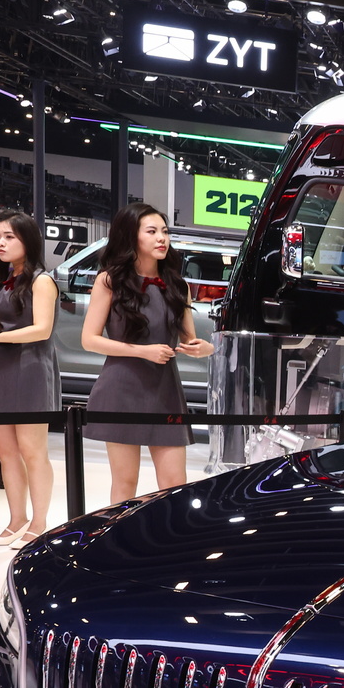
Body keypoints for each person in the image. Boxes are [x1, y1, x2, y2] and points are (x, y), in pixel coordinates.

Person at [81, 204, 214, 505]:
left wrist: (204, 348)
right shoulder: (109, 281)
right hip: (121, 387)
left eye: (164, 232)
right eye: (152, 232)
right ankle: (118, 535)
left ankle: (168, 535)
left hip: (165, 389)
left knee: (174, 484)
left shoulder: (178, 285)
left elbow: (188, 339)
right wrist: (142, 351)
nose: (161, 238)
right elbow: (89, 340)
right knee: (125, 482)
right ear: (131, 236)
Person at [0, 213, 59, 546]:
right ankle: (16, 519)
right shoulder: (8, 280)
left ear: (28, 241)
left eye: (10, 237)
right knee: (5, 450)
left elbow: (41, 329)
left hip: (31, 367)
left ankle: (39, 523)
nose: (1, 243)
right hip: (3, 365)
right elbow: (2, 326)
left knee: (33, 450)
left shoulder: (42, 281)